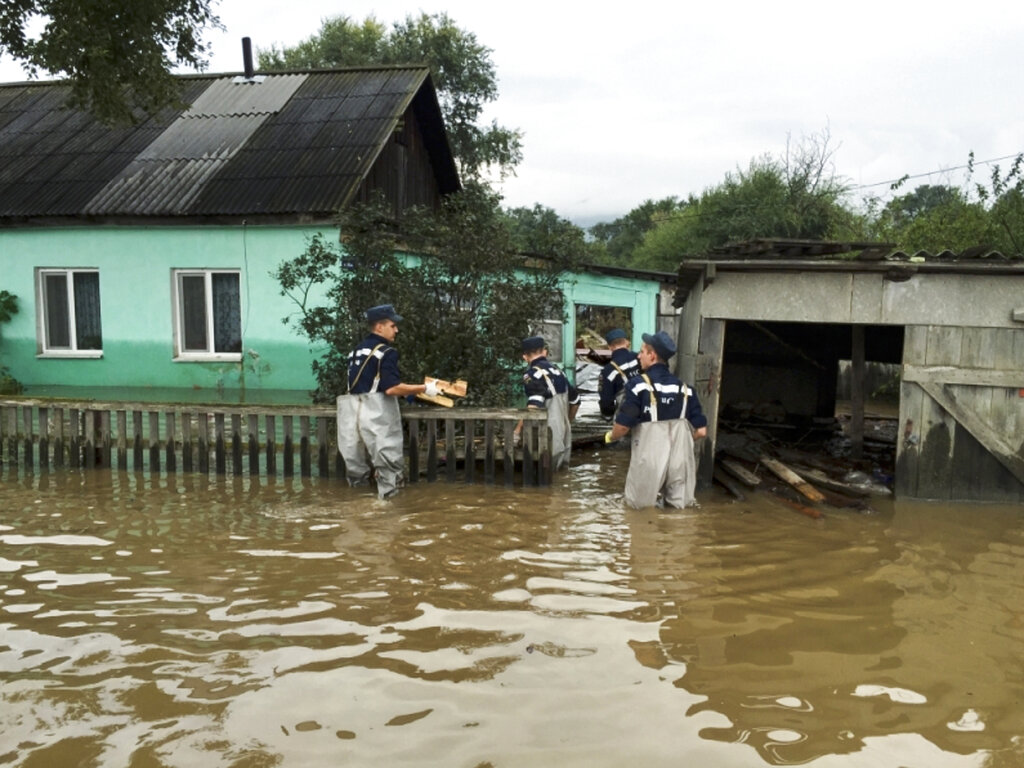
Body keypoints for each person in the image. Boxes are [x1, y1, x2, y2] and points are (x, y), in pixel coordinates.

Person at [336, 304, 440, 500]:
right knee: (389, 466)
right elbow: (391, 388)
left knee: (355, 465)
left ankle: (356, 509)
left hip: (350, 413)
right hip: (376, 414)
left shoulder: (355, 352)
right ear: (379, 327)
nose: (396, 330)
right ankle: (389, 516)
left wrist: (408, 395)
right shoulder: (386, 352)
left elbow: (368, 383)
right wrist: (424, 388)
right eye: (393, 326)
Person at [605, 330, 707, 509]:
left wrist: (610, 437)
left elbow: (622, 427)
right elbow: (701, 431)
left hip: (649, 459)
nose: (638, 356)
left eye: (642, 352)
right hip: (681, 459)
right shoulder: (686, 390)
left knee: (638, 512)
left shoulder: (638, 386)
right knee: (680, 513)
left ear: (652, 356)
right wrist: (676, 443)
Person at [515, 336, 580, 471]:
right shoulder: (559, 372)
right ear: (544, 352)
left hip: (548, 431)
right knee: (562, 473)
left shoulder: (532, 375)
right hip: (564, 430)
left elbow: (533, 407)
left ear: (525, 357)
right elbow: (576, 401)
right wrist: (568, 421)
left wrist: (517, 431)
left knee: (546, 473)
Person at [598, 328, 639, 419]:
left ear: (610, 347)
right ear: (627, 343)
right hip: (648, 414)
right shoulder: (639, 358)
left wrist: (607, 415)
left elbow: (606, 403)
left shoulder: (608, 371)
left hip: (626, 418)